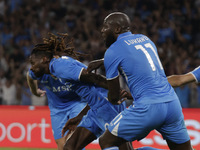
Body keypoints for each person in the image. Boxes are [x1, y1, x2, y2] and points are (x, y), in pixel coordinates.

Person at [87, 12, 193, 150]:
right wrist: (103, 61)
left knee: (106, 141)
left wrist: (116, 99)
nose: (102, 30)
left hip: (148, 108)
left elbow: (113, 96)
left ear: (117, 29)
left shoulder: (112, 51)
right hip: (172, 104)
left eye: (106, 26)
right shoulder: (145, 39)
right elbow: (134, 56)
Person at [29, 33, 132, 150]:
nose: (31, 67)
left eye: (33, 63)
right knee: (70, 147)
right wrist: (79, 117)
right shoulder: (56, 68)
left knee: (123, 147)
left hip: (107, 104)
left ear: (44, 59)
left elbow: (94, 78)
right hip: (95, 108)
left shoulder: (60, 66)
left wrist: (119, 91)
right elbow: (91, 91)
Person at [27, 60, 87, 149]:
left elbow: (88, 74)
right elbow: (30, 76)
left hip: (76, 103)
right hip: (57, 109)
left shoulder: (69, 65)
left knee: (74, 139)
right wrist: (35, 91)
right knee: (61, 144)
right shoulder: (40, 69)